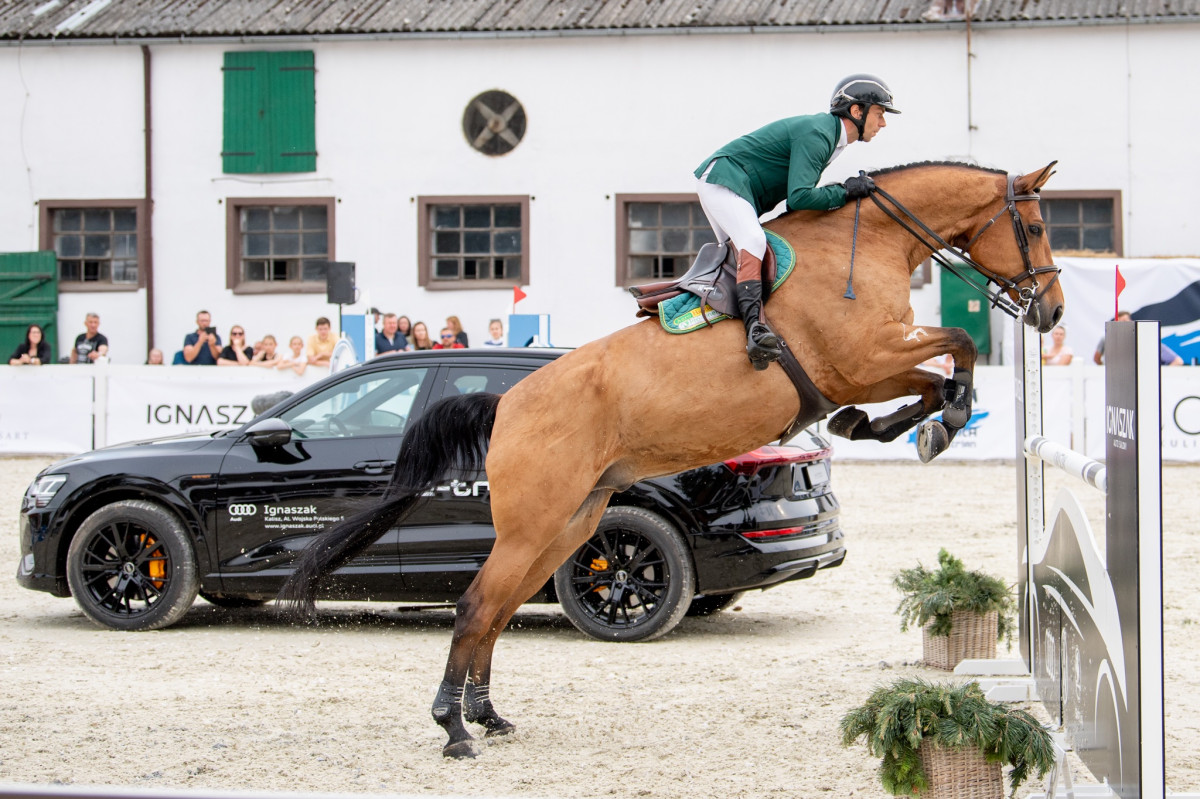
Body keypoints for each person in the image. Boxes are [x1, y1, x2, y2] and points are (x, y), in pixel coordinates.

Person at [694, 73, 899, 370]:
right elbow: (800, 198)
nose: (883, 123)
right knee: (752, 242)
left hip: (734, 187)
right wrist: (844, 191)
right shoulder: (819, 133)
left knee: (746, 256)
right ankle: (755, 329)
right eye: (880, 113)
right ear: (857, 111)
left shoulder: (831, 138)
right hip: (723, 180)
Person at [1094, 309, 1185, 366]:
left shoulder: (1143, 340)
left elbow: (1177, 361)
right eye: (1122, 321)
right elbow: (1097, 358)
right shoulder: (1106, 339)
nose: (1125, 323)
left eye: (1127, 320)